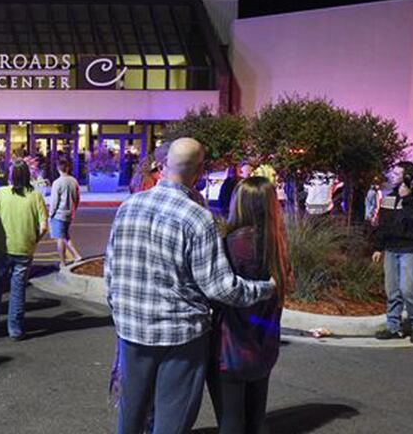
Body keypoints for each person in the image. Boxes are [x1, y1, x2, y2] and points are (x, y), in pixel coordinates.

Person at [105, 138, 275, 434]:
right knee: (172, 420)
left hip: (132, 330)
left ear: (164, 165)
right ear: (198, 172)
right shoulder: (197, 218)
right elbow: (220, 287)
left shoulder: (128, 206)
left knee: (130, 416)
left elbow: (111, 270)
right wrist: (265, 288)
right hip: (180, 338)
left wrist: (120, 310)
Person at [207, 176, 293, 434]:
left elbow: (220, 291)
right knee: (256, 417)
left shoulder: (232, 242)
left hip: (230, 345)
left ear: (239, 203)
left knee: (231, 419)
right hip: (264, 342)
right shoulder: (278, 243)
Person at [0, 160, 49, 341]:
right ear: (28, 175)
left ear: (11, 176)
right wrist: (34, 241)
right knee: (18, 290)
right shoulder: (35, 196)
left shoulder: (2, 193)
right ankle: (15, 329)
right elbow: (43, 226)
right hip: (24, 249)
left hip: (2, 247)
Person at [372, 161, 413, 343]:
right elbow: (383, 226)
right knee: (392, 290)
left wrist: (408, 199)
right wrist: (378, 247)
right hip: (391, 250)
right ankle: (393, 326)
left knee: (408, 289)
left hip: (411, 249)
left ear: (407, 177)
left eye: (396, 174)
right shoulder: (388, 197)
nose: (391, 176)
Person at [49, 157, 82, 267]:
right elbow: (77, 198)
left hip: (59, 214)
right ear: (67, 168)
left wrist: (50, 214)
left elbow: (54, 201)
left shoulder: (57, 183)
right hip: (69, 213)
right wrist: (74, 209)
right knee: (65, 235)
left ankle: (63, 261)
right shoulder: (74, 181)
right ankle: (76, 256)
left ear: (58, 169)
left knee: (60, 238)